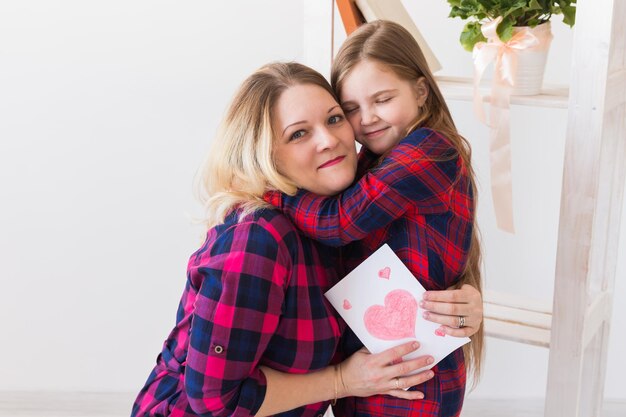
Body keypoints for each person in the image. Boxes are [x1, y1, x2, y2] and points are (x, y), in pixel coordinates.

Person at [131, 62, 482, 417]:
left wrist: (462, 306)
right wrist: (342, 381)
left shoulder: (335, 216)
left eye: (334, 119)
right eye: (299, 134)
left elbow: (417, 260)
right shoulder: (258, 238)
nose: (329, 141)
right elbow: (214, 402)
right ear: (264, 153)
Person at [264, 20, 483, 417]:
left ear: (420, 90)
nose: (366, 119)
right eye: (350, 109)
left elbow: (339, 222)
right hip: (376, 361)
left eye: (382, 99)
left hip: (416, 372)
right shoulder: (369, 160)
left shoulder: (428, 150)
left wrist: (271, 189)